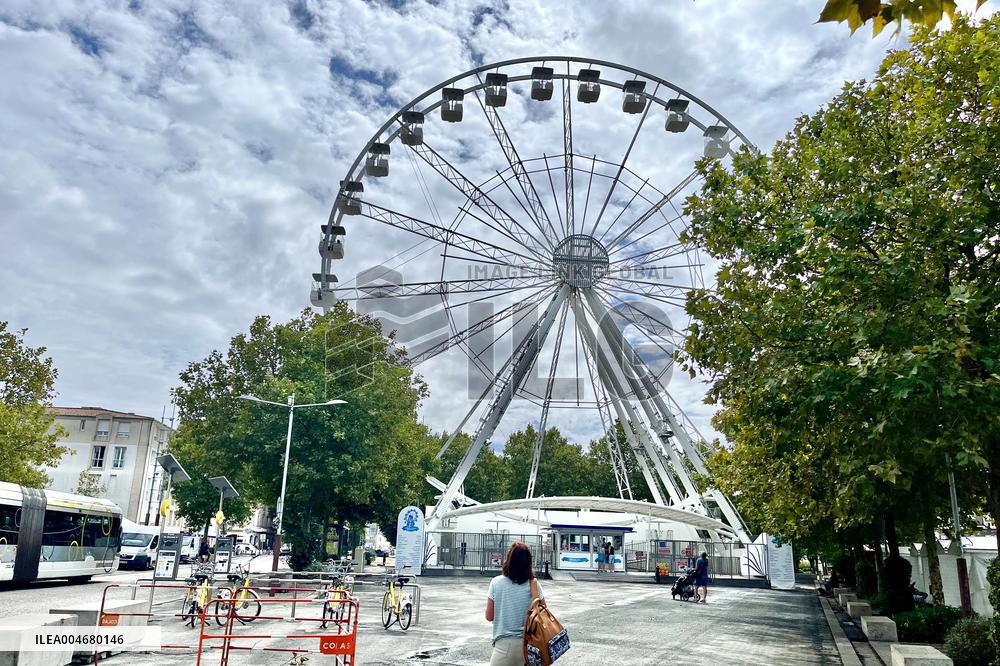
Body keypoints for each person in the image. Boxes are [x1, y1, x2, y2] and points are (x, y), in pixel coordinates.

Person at [485, 542, 545, 666]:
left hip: (504, 647)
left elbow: (489, 616)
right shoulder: (534, 585)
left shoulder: (496, 583)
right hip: (531, 648)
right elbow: (543, 614)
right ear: (529, 562)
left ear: (509, 559)